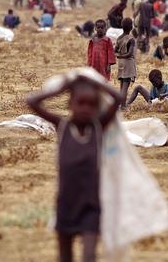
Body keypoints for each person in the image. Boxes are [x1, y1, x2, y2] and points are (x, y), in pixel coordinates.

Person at [26, 73, 122, 262]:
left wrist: (97, 83)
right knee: (65, 256)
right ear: (70, 105)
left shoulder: (97, 127)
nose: (86, 108)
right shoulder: (62, 126)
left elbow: (119, 98)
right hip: (66, 204)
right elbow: (32, 101)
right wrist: (62, 88)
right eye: (80, 103)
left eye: (91, 104)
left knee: (89, 256)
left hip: (91, 206)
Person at [114, 18, 136, 109]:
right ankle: (122, 105)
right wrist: (123, 56)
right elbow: (130, 53)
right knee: (125, 85)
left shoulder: (119, 38)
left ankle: (121, 104)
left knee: (122, 85)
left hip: (121, 63)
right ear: (131, 27)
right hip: (128, 63)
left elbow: (115, 51)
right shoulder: (131, 39)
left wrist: (119, 56)